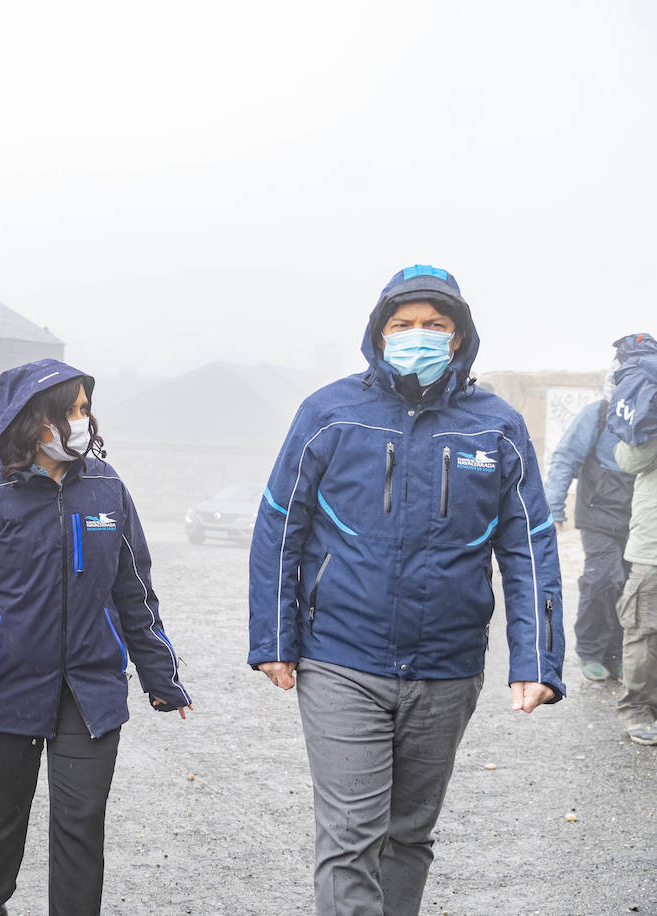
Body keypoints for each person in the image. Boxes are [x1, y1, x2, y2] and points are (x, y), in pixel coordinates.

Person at [248, 266, 565, 916]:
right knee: (351, 838)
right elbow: (282, 523)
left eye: (434, 325)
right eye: (403, 325)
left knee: (409, 836)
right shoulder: (330, 413)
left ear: (458, 337)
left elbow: (529, 542)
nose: (417, 336)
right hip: (342, 661)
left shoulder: (496, 427)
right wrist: (274, 639)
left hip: (448, 670)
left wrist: (536, 660)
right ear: (379, 333)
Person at [0, 358, 192, 916]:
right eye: (66, 412)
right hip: (5, 692)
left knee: (82, 821)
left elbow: (134, 589)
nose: (79, 422)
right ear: (29, 420)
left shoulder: (107, 490)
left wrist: (160, 677)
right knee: (2, 817)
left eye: (84, 409)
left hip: (90, 689)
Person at [543, 355, 634, 682]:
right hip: (598, 515)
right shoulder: (597, 414)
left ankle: (619, 653)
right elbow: (566, 457)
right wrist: (554, 508)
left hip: (639, 520)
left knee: (633, 588)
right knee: (604, 578)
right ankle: (592, 651)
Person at [610, 331, 657, 745]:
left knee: (643, 628)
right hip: (651, 544)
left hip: (650, 544)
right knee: (643, 627)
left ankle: (641, 708)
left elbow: (627, 458)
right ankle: (638, 708)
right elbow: (630, 459)